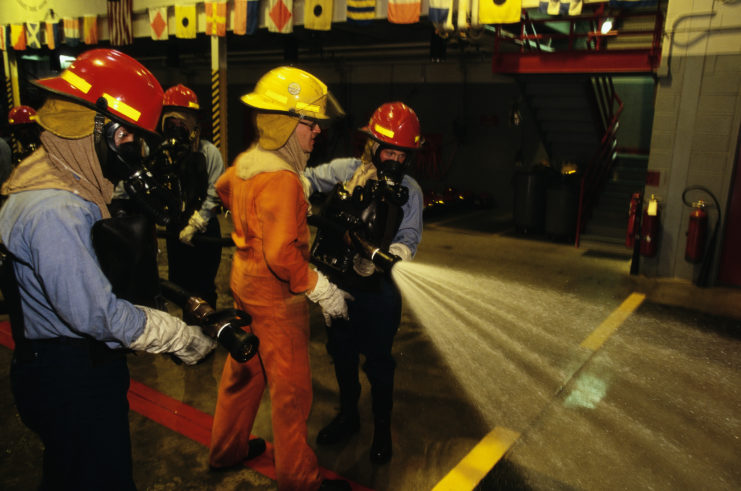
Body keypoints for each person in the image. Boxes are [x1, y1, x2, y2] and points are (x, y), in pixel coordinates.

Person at [0, 49, 216, 490]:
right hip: (69, 373)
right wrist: (176, 335)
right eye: (130, 139)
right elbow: (95, 314)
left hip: (66, 365)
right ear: (102, 128)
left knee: (69, 473)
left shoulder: (58, 173)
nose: (133, 152)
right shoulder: (54, 208)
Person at [208, 66, 352, 491]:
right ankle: (300, 480)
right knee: (291, 395)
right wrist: (320, 288)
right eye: (310, 123)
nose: (317, 133)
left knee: (243, 372)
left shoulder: (246, 164)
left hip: (242, 284)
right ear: (288, 124)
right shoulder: (285, 177)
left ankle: (226, 449)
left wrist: (256, 221)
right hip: (277, 297)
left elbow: (222, 189)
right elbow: (280, 254)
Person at [303, 102, 424, 465]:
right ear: (372, 145)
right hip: (338, 284)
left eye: (402, 155)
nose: (394, 161)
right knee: (340, 353)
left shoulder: (411, 191)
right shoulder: (347, 171)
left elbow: (410, 237)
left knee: (379, 363)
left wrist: (389, 258)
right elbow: (305, 179)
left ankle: (382, 428)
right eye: (388, 151)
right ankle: (349, 416)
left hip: (379, 292)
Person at [160, 84, 225, 307]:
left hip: (204, 231)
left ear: (194, 125)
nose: (177, 129)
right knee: (179, 288)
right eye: (172, 123)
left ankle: (208, 336)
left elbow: (215, 193)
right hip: (175, 230)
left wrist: (196, 223)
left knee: (204, 289)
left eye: (183, 123)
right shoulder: (160, 154)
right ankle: (185, 335)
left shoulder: (208, 153)